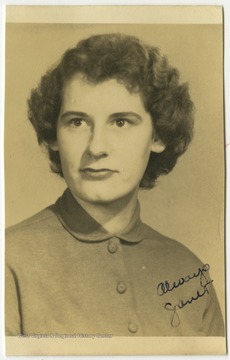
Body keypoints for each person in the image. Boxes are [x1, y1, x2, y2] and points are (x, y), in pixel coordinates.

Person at [5, 33, 224, 336]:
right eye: (77, 122)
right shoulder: (9, 261)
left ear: (158, 136)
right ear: (54, 134)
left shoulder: (189, 273)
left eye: (121, 122)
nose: (96, 147)